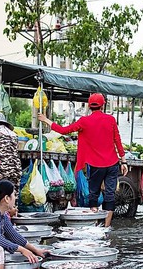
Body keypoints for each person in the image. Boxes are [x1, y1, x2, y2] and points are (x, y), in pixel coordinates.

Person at [38, 93, 128, 227]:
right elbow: (117, 140)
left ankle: (95, 223)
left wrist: (46, 120)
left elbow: (64, 130)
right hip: (112, 163)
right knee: (109, 195)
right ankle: (107, 226)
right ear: (103, 105)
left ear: (89, 106)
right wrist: (124, 160)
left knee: (93, 194)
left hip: (96, 165)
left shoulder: (84, 121)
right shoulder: (110, 120)